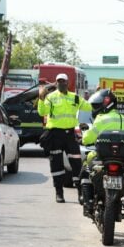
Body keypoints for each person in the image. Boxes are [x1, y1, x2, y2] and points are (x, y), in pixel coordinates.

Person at [80, 89, 124, 242]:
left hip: (101, 160)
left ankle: (88, 204)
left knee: (85, 171)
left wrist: (84, 137)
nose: (94, 109)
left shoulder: (100, 120)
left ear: (104, 106)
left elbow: (86, 139)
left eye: (96, 106)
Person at [37, 73, 92, 203]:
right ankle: (59, 193)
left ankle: (81, 193)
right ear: (56, 83)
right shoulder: (50, 97)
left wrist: (96, 99)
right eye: (59, 81)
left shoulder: (75, 98)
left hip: (70, 135)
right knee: (56, 165)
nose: (61, 83)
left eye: (63, 81)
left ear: (68, 83)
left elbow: (89, 107)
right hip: (55, 135)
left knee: (77, 164)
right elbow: (42, 112)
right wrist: (40, 98)